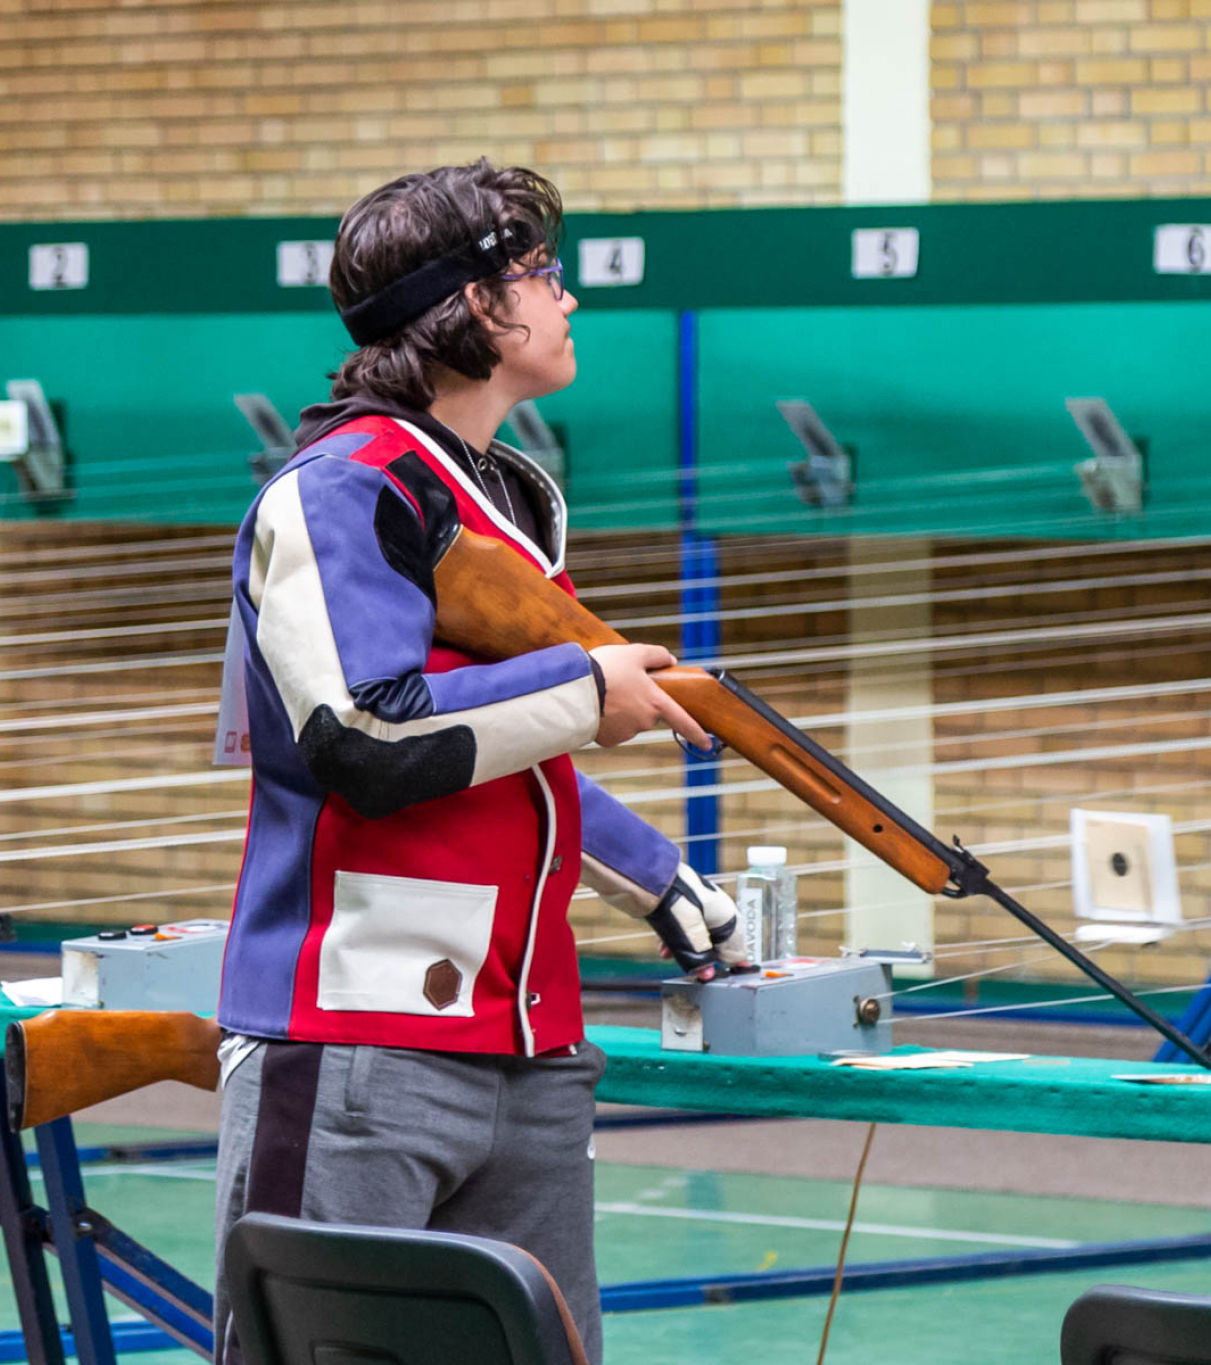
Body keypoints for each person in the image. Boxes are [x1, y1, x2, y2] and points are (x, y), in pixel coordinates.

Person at [211, 160, 748, 1364]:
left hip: (530, 1052)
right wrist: (584, 687)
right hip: (355, 1048)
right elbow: (366, 733)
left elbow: (497, 758)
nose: (567, 300)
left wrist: (657, 874)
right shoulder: (340, 491)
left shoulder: (493, 498)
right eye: (541, 274)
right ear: (468, 308)